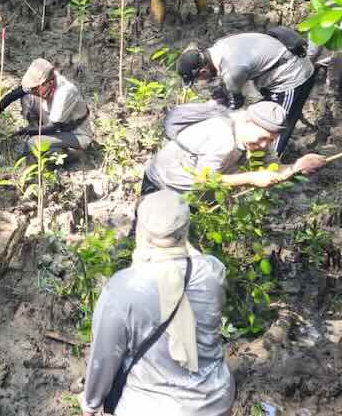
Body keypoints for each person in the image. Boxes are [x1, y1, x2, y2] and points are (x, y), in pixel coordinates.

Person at [80, 190, 233, 416]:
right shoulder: (212, 270)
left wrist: (91, 404)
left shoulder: (123, 287)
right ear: (186, 230)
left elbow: (104, 356)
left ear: (141, 231)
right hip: (216, 401)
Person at [176, 31, 317, 159]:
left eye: (199, 80)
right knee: (261, 118)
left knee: (275, 123)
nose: (202, 82)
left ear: (203, 72)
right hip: (274, 67)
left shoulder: (232, 71)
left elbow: (236, 103)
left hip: (291, 77)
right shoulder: (218, 48)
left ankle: (270, 167)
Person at [141, 100, 327, 196]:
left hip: (195, 196)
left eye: (270, 140)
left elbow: (272, 170)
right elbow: (203, 180)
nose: (263, 145)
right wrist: (251, 178)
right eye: (262, 138)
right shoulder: (222, 138)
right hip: (163, 185)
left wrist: (297, 167)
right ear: (247, 121)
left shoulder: (260, 141)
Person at [0, 58, 94, 163]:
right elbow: (15, 94)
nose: (32, 91)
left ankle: (74, 153)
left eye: (35, 89)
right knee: (28, 98)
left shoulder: (65, 92)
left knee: (34, 143)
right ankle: (43, 138)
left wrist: (26, 131)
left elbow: (54, 127)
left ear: (49, 83)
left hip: (75, 134)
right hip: (56, 123)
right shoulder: (49, 80)